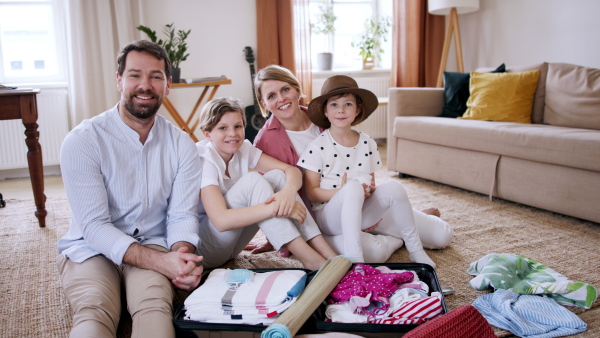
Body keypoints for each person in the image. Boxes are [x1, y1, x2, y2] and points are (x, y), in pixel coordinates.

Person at [56, 40, 203, 338]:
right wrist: (162, 262)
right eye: (135, 75)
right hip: (90, 247)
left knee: (154, 306)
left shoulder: (184, 146)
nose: (145, 85)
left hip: (151, 241)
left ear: (168, 84)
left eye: (156, 76)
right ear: (119, 80)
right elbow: (95, 227)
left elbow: (182, 216)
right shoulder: (82, 140)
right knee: (94, 309)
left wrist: (182, 257)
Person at [246, 65, 453, 263]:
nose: (281, 98)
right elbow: (269, 191)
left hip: (362, 203)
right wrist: (274, 237)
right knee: (373, 251)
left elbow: (360, 164)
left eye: (285, 89)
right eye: (271, 96)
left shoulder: (327, 114)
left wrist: (370, 198)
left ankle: (403, 217)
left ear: (297, 89)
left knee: (442, 235)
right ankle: (399, 234)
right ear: (264, 104)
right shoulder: (264, 141)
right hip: (321, 218)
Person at [298, 75, 436, 266]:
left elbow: (371, 184)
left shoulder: (367, 142)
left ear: (357, 109)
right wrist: (344, 191)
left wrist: (368, 192)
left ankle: (415, 250)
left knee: (394, 187)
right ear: (325, 111)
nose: (341, 110)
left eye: (348, 104)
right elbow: (311, 193)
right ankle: (358, 263)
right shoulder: (317, 146)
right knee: (353, 188)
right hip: (329, 216)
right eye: (334, 105)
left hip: (362, 208)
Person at [195, 96, 337, 271]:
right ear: (207, 134)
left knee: (277, 176)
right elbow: (221, 221)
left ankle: (329, 254)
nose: (232, 133)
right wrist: (278, 208)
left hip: (232, 248)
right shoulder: (204, 159)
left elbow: (291, 171)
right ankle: (310, 260)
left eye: (237, 126)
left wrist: (287, 195)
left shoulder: (242, 148)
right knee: (253, 181)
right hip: (206, 250)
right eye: (223, 128)